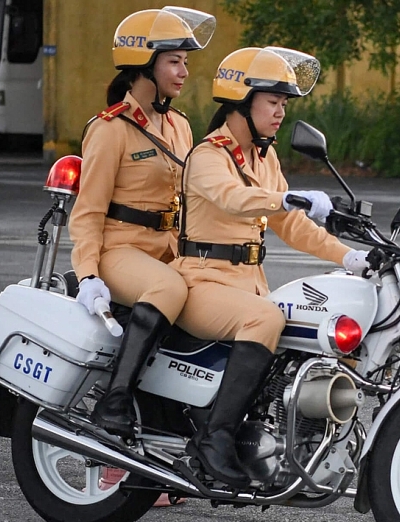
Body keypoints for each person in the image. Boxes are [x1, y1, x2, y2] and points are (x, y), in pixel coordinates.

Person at [172, 47, 369, 487]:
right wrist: (286, 197)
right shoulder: (209, 155)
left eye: (284, 105)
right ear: (243, 101)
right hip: (201, 281)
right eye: (273, 103)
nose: (280, 112)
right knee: (267, 317)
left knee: (303, 322)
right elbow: (234, 200)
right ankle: (212, 440)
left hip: (248, 284)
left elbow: (294, 227)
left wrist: (351, 257)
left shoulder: (264, 157)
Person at [69, 7, 216, 439]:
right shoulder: (110, 129)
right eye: (174, 60)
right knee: (169, 289)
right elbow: (89, 210)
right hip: (120, 251)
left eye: (186, 61)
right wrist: (88, 274)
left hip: (168, 248)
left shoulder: (180, 126)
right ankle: (114, 399)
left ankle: (179, 428)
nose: (185, 71)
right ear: (144, 66)